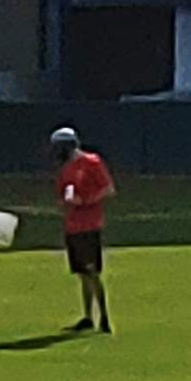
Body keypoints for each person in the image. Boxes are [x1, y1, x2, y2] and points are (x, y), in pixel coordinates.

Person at [49, 123, 115, 335]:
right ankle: (87, 316)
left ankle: (104, 317)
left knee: (92, 272)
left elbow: (107, 189)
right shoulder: (65, 168)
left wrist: (85, 201)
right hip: (72, 226)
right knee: (82, 274)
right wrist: (65, 203)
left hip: (89, 225)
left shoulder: (92, 162)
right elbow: (62, 195)